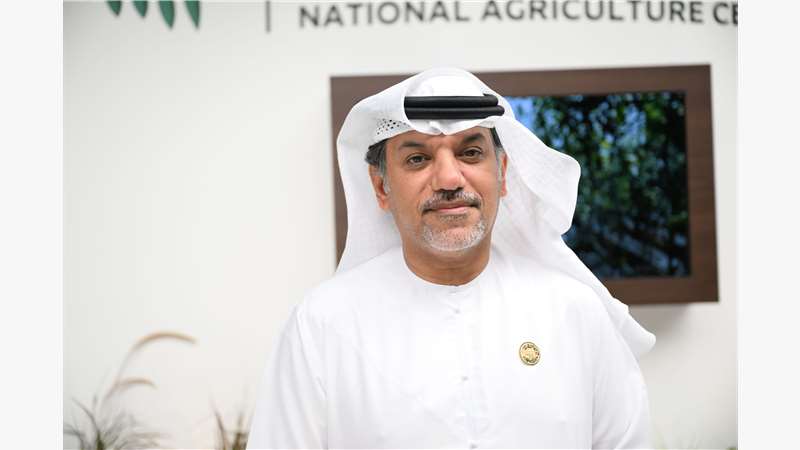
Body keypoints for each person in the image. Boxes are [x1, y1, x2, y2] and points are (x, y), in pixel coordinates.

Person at [246, 68, 656, 449]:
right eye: (418, 159)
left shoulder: (575, 312)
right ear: (381, 187)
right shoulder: (323, 325)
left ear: (502, 172)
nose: (448, 179)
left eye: (470, 153)